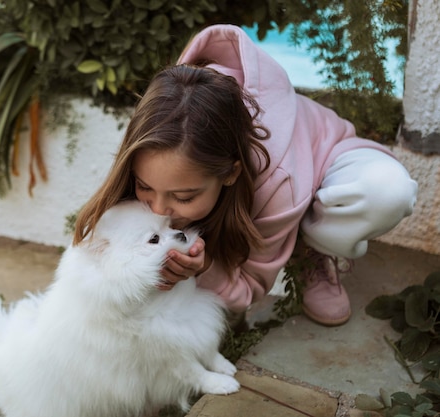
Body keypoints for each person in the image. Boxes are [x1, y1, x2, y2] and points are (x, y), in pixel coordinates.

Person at [73, 24, 418, 326]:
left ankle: (311, 245)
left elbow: (249, 288)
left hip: (326, 158)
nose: (160, 210)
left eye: (184, 196)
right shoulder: (161, 133)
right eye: (145, 187)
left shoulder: (280, 182)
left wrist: (205, 271)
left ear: (230, 173)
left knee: (387, 191)